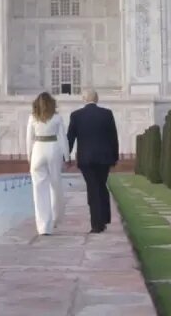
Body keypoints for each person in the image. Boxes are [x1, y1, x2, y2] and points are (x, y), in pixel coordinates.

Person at [67, 89, 119, 234]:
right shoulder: (106, 114)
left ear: (84, 99)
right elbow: (113, 137)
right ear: (97, 99)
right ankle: (104, 219)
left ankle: (97, 224)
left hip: (86, 159)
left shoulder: (76, 115)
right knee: (101, 185)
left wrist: (66, 156)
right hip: (104, 158)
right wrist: (114, 157)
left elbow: (70, 138)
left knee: (93, 188)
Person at [26, 91, 67, 236]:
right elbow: (63, 139)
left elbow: (29, 139)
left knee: (39, 190)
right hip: (53, 149)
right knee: (55, 185)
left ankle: (43, 227)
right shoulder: (57, 118)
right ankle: (55, 218)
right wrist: (67, 157)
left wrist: (29, 156)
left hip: (38, 149)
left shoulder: (32, 118)